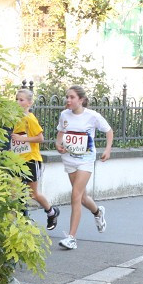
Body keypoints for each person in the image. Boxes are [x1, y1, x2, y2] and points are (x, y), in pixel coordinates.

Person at [54, 85, 113, 250]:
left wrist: (107, 149)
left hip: (86, 160)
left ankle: (71, 238)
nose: (68, 100)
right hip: (69, 159)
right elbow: (60, 133)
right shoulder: (64, 115)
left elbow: (109, 131)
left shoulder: (92, 116)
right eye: (67, 97)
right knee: (82, 197)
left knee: (75, 195)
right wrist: (58, 145)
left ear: (81, 100)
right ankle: (98, 212)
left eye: (72, 97)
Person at [11, 88, 59, 230]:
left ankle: (51, 211)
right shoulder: (15, 118)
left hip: (31, 159)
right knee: (15, 191)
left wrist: (21, 138)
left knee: (33, 193)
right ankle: (21, 221)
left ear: (29, 103)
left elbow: (40, 138)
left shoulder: (30, 119)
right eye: (17, 99)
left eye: (21, 100)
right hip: (17, 161)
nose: (18, 102)